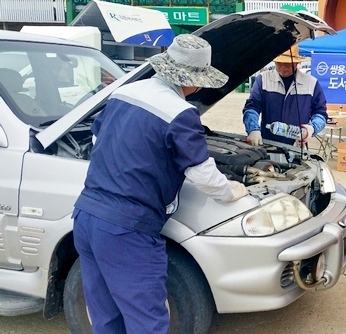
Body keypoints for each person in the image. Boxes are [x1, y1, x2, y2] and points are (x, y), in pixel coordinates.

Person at [72, 34, 248, 333]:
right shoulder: (180, 112)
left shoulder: (124, 92)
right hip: (127, 229)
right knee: (146, 321)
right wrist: (231, 191)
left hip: (86, 216)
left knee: (105, 316)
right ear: (193, 79)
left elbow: (96, 138)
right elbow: (202, 174)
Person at [242, 44, 328, 146]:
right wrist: (253, 129)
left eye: (288, 64)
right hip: (266, 142)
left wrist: (312, 128)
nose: (283, 68)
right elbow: (252, 107)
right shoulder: (263, 79)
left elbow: (320, 114)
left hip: (296, 145)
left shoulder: (311, 83)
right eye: (279, 63)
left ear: (297, 63)